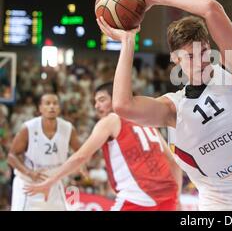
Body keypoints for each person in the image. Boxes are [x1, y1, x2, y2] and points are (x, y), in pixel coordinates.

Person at [96, 0, 232, 211]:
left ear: (210, 48)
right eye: (189, 56)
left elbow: (211, 9)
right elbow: (123, 106)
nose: (199, 61)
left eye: (203, 52)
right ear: (175, 59)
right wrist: (128, 41)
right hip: (223, 207)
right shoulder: (174, 108)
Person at [25, 83, 181, 211]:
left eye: (101, 100)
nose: (96, 105)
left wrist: (50, 181)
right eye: (95, 101)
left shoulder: (111, 119)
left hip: (138, 197)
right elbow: (173, 163)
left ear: (116, 98)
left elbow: (81, 156)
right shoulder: (147, 122)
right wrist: (177, 197)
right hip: (169, 197)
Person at [8, 93, 82, 210]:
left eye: (55, 103)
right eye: (47, 103)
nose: (51, 106)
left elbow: (81, 153)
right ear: (40, 108)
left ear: (59, 108)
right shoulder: (28, 128)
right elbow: (12, 156)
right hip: (29, 182)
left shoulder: (68, 128)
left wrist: (77, 169)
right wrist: (29, 172)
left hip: (53, 182)